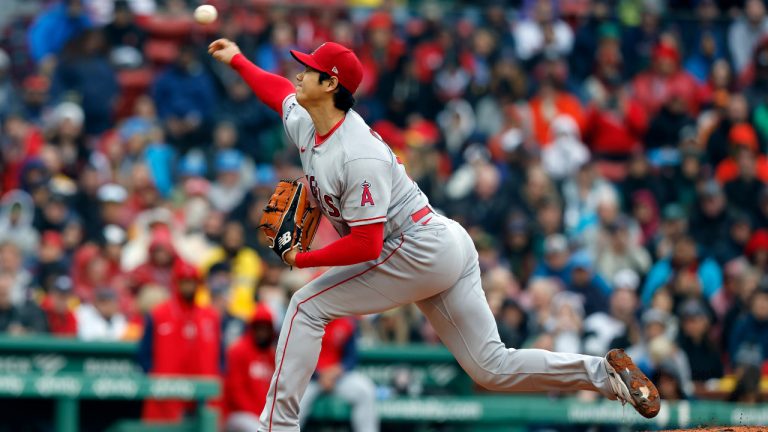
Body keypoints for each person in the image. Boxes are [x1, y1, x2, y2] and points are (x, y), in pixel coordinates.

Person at [208, 38, 660, 431]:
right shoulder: (310, 121)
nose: (299, 73)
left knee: (305, 305)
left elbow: (367, 244)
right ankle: (606, 375)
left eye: (309, 68)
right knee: (491, 367)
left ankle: (276, 428)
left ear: (331, 85)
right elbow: (278, 93)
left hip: (416, 247)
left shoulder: (358, 154)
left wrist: (301, 261)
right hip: (439, 242)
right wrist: (239, 60)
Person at [138, 259, 222, 422]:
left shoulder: (211, 317)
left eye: (192, 282)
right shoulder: (158, 314)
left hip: (202, 395)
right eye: (184, 282)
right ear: (176, 283)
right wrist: (158, 378)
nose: (188, 287)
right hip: (166, 395)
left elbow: (221, 358)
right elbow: (143, 355)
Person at [298, 317, 378, 432]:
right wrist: (319, 375)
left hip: (338, 377)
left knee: (365, 390)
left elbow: (352, 357)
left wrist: (339, 370)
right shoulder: (307, 322)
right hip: (310, 378)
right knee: (294, 404)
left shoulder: (345, 322)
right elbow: (300, 357)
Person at [224, 305, 276, 432]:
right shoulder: (238, 350)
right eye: (259, 328)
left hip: (263, 417)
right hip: (238, 414)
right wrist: (260, 416)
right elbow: (236, 392)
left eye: (266, 328)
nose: (262, 332)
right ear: (252, 328)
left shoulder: (272, 355)